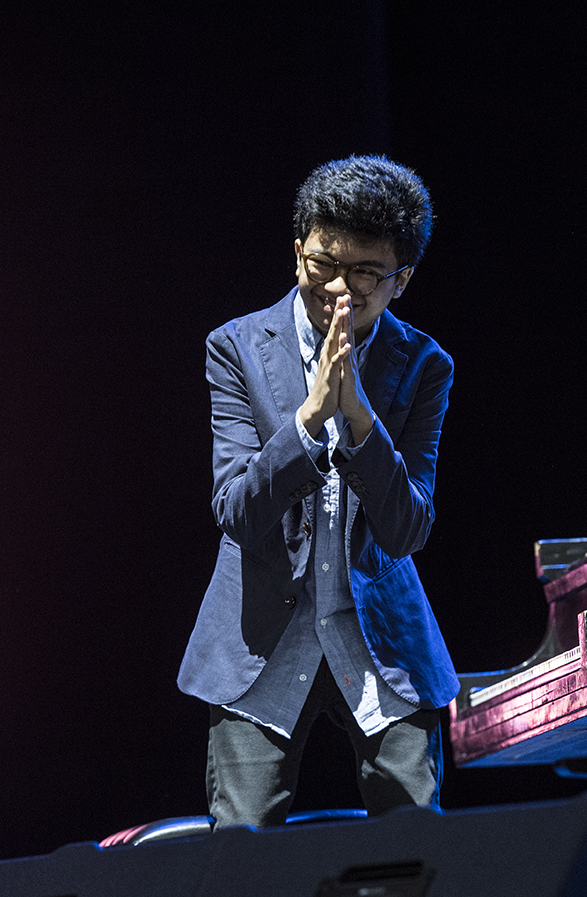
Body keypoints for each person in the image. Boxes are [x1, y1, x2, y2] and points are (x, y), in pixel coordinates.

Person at [177, 155, 457, 828]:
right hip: (260, 642)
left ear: (401, 279)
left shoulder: (423, 365)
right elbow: (237, 512)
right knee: (241, 857)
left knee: (416, 844)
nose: (339, 289)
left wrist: (357, 416)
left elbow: (407, 530)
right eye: (323, 264)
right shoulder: (236, 347)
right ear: (297, 249)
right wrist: (308, 421)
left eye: (364, 273)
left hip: (380, 639)